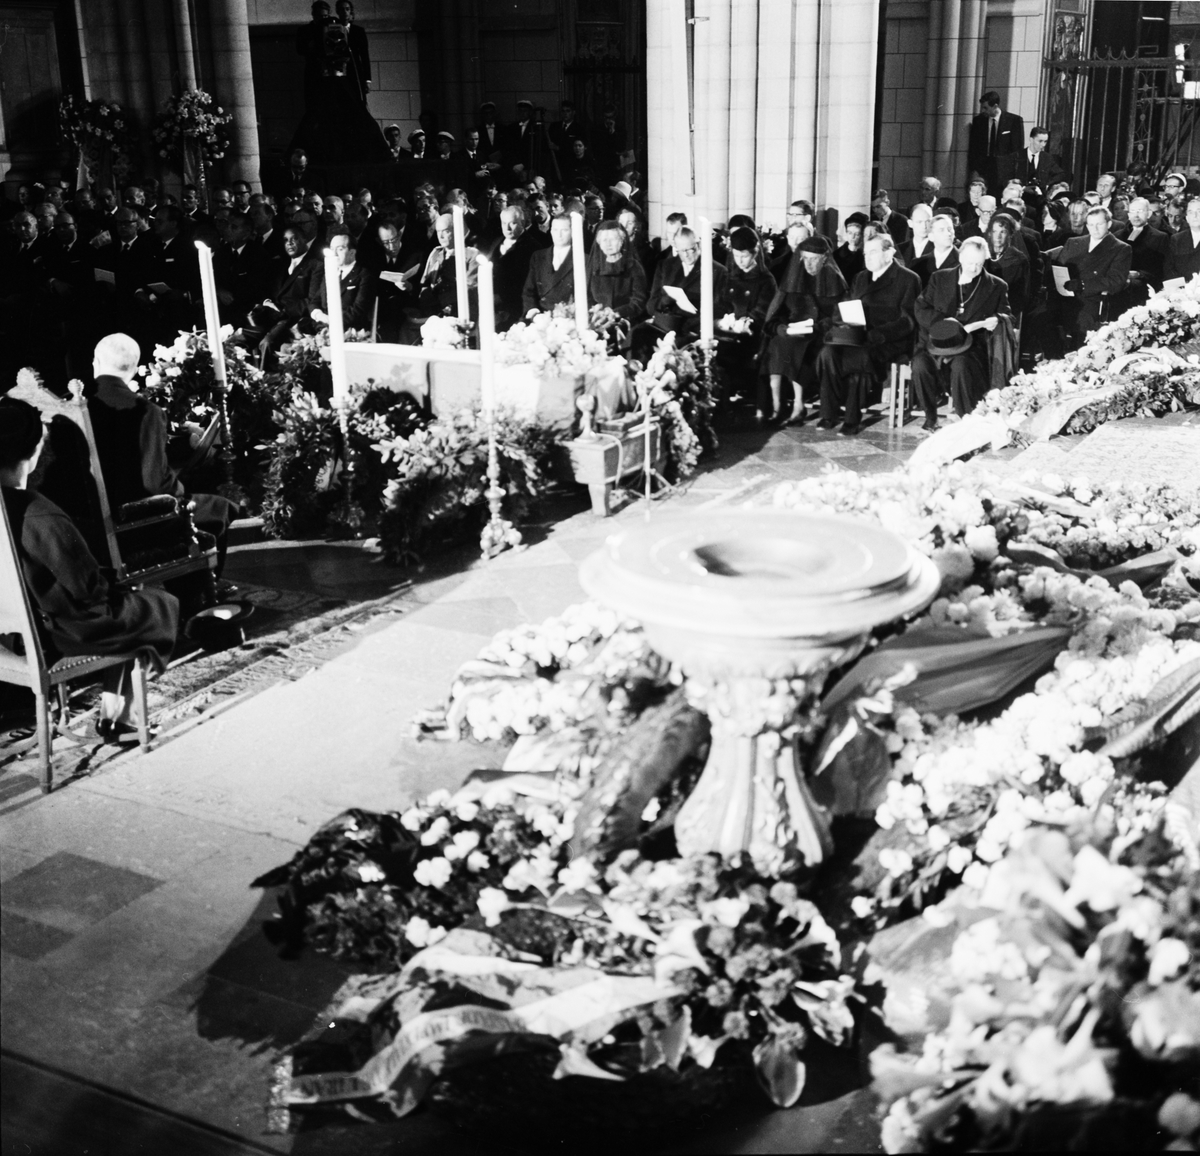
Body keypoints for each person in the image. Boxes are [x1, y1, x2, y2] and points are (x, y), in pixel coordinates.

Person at [1, 397, 180, 736]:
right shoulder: (41, 513)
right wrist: (119, 587)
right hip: (57, 635)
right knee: (157, 602)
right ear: (37, 452)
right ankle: (120, 716)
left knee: (129, 601)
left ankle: (112, 712)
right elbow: (88, 588)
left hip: (11, 635)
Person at [85, 334, 234, 585]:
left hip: (89, 525)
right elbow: (156, 485)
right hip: (134, 523)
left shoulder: (74, 407)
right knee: (221, 507)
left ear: (95, 364)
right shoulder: (145, 411)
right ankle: (198, 591)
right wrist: (181, 488)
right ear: (133, 368)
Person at [815, 234, 919, 436]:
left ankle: (852, 417)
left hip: (888, 340)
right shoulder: (861, 277)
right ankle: (829, 412)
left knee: (860, 357)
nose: (867, 257)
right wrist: (842, 324)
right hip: (857, 335)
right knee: (828, 353)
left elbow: (908, 320)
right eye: (865, 253)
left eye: (873, 252)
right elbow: (846, 306)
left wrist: (878, 335)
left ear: (889, 253)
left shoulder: (908, 279)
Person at [910, 237, 1010, 431]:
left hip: (970, 346)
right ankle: (930, 417)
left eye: (979, 264)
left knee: (961, 366)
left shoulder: (997, 286)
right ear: (960, 257)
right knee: (920, 364)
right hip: (937, 342)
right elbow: (921, 307)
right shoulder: (940, 278)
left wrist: (997, 319)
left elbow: (1008, 315)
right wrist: (946, 326)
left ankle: (966, 417)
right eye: (970, 262)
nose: (974, 268)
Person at [762, 233, 845, 425]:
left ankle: (798, 404)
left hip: (820, 336)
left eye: (813, 259)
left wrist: (816, 327)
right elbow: (778, 311)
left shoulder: (834, 280)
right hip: (792, 331)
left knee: (795, 346)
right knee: (777, 342)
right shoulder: (795, 277)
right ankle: (777, 405)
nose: (808, 265)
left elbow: (837, 316)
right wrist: (782, 327)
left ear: (824, 258)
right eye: (805, 258)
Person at [1056, 206, 1133, 344]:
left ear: (1109, 224)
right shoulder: (1074, 242)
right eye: (1091, 224)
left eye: (1099, 224)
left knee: (1081, 325)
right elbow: (1059, 269)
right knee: (1039, 318)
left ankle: (1076, 362)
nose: (1095, 229)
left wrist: (1083, 285)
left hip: (1092, 300)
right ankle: (1053, 361)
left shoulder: (1120, 248)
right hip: (1065, 296)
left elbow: (1116, 281)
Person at [645, 225, 729, 343]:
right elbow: (650, 306)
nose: (687, 254)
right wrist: (663, 301)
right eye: (682, 251)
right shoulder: (665, 266)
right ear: (676, 248)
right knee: (636, 335)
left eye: (691, 249)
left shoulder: (717, 271)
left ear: (698, 245)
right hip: (663, 325)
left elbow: (719, 309)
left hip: (693, 330)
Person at [309, 229, 377, 333]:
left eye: (340, 249)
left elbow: (358, 310)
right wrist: (319, 315)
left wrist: (331, 323)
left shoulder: (364, 275)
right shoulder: (330, 272)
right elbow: (315, 301)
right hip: (321, 327)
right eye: (332, 249)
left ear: (352, 252)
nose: (334, 253)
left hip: (349, 330)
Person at [486, 205, 542, 330]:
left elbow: (527, 283)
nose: (507, 228)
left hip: (515, 310)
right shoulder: (497, 242)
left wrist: (501, 298)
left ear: (522, 222)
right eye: (504, 223)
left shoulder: (533, 247)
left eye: (512, 223)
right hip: (492, 307)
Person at [417, 211, 478, 319]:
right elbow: (425, 284)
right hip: (433, 312)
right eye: (438, 232)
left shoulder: (471, 255)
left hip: (460, 312)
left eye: (445, 231)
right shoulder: (435, 253)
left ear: (456, 231)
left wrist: (438, 299)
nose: (440, 236)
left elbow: (470, 289)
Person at [586, 218, 648, 323]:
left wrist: (616, 313)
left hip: (626, 321)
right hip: (597, 320)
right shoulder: (594, 267)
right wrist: (597, 311)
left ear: (622, 240)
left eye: (613, 239)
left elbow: (639, 301)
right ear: (599, 243)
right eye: (604, 240)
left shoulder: (633, 267)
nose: (608, 244)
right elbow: (587, 296)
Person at [1115, 196, 1167, 311]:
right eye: (1132, 211)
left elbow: (1160, 268)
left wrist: (1139, 274)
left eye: (1140, 211)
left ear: (1148, 214)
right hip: (1118, 289)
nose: (1136, 215)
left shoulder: (1160, 237)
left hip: (1143, 290)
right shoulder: (1117, 236)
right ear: (1128, 214)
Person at [967, 90, 1025, 195]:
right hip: (984, 167)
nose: (983, 110)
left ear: (995, 106)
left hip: (1004, 169)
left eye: (986, 108)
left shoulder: (1014, 121)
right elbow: (973, 148)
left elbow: (1017, 148)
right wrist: (974, 169)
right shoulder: (979, 121)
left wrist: (1015, 173)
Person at [523, 213, 577, 315]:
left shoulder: (583, 259)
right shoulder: (538, 256)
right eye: (555, 230)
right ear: (551, 231)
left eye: (564, 230)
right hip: (540, 316)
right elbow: (528, 292)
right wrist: (533, 311)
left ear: (572, 232)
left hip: (568, 318)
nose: (559, 235)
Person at [335, 0, 370, 103]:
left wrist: (367, 80)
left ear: (350, 11)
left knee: (359, 101)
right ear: (338, 11)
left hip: (356, 73)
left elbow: (364, 56)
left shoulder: (358, 31)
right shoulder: (333, 30)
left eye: (347, 9)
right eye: (342, 9)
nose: (345, 12)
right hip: (340, 73)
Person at [911, 213, 959, 287]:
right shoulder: (918, 264)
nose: (948, 233)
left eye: (950, 229)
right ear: (931, 236)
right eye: (941, 230)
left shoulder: (963, 261)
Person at [1163, 197, 1200, 284]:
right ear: (1187, 218)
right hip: (1180, 290)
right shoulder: (1176, 239)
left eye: (1199, 211)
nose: (1195, 216)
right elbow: (1169, 268)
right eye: (1191, 212)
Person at [834, 212, 868, 285]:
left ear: (862, 234)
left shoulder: (867, 254)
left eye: (857, 234)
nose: (852, 237)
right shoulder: (836, 255)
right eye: (850, 233)